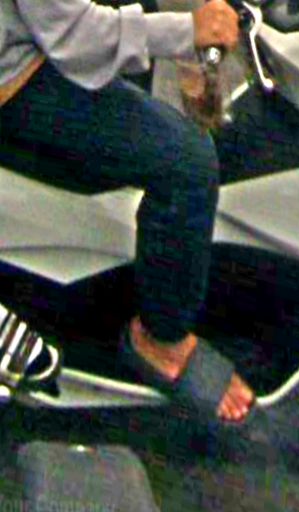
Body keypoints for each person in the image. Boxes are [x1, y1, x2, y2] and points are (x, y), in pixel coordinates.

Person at [0, 0, 255, 424]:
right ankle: (161, 340)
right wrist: (186, 32)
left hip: (25, 33)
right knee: (187, 163)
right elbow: (77, 38)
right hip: (14, 76)